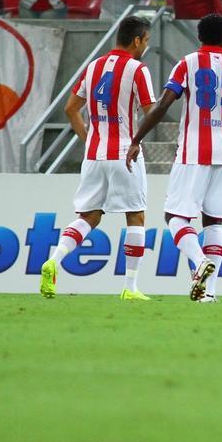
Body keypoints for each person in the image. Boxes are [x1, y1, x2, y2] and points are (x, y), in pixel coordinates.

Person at [127, 13, 222, 302]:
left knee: (175, 216)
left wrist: (137, 138)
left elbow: (163, 105)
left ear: (199, 37)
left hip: (194, 151)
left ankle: (200, 262)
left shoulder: (187, 64)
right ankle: (209, 293)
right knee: (213, 222)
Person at [38, 16, 155, 300]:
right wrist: (138, 140)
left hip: (94, 154)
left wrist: (89, 139)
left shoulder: (93, 67)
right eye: (146, 41)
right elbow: (152, 111)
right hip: (125, 152)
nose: (146, 47)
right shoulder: (137, 69)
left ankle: (53, 261)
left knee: (88, 216)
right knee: (136, 216)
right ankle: (130, 287)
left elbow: (70, 108)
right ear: (137, 40)